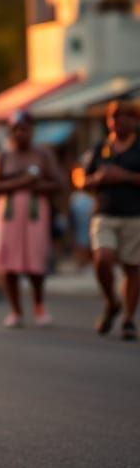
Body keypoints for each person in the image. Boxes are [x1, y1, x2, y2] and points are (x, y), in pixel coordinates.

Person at [0, 112, 64, 328]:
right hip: (9, 215)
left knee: (35, 261)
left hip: (35, 215)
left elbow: (58, 183)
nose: (20, 133)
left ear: (32, 131)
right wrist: (22, 182)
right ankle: (15, 310)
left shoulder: (43, 155)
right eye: (16, 129)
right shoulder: (3, 157)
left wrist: (36, 185)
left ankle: (39, 305)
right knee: (8, 262)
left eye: (25, 129)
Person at [84, 99, 140, 341]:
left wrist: (123, 176)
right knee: (102, 258)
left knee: (132, 267)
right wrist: (97, 178)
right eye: (114, 117)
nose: (118, 121)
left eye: (124, 116)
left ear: (134, 120)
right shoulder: (101, 147)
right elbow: (82, 180)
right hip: (104, 213)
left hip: (133, 214)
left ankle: (128, 318)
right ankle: (111, 301)